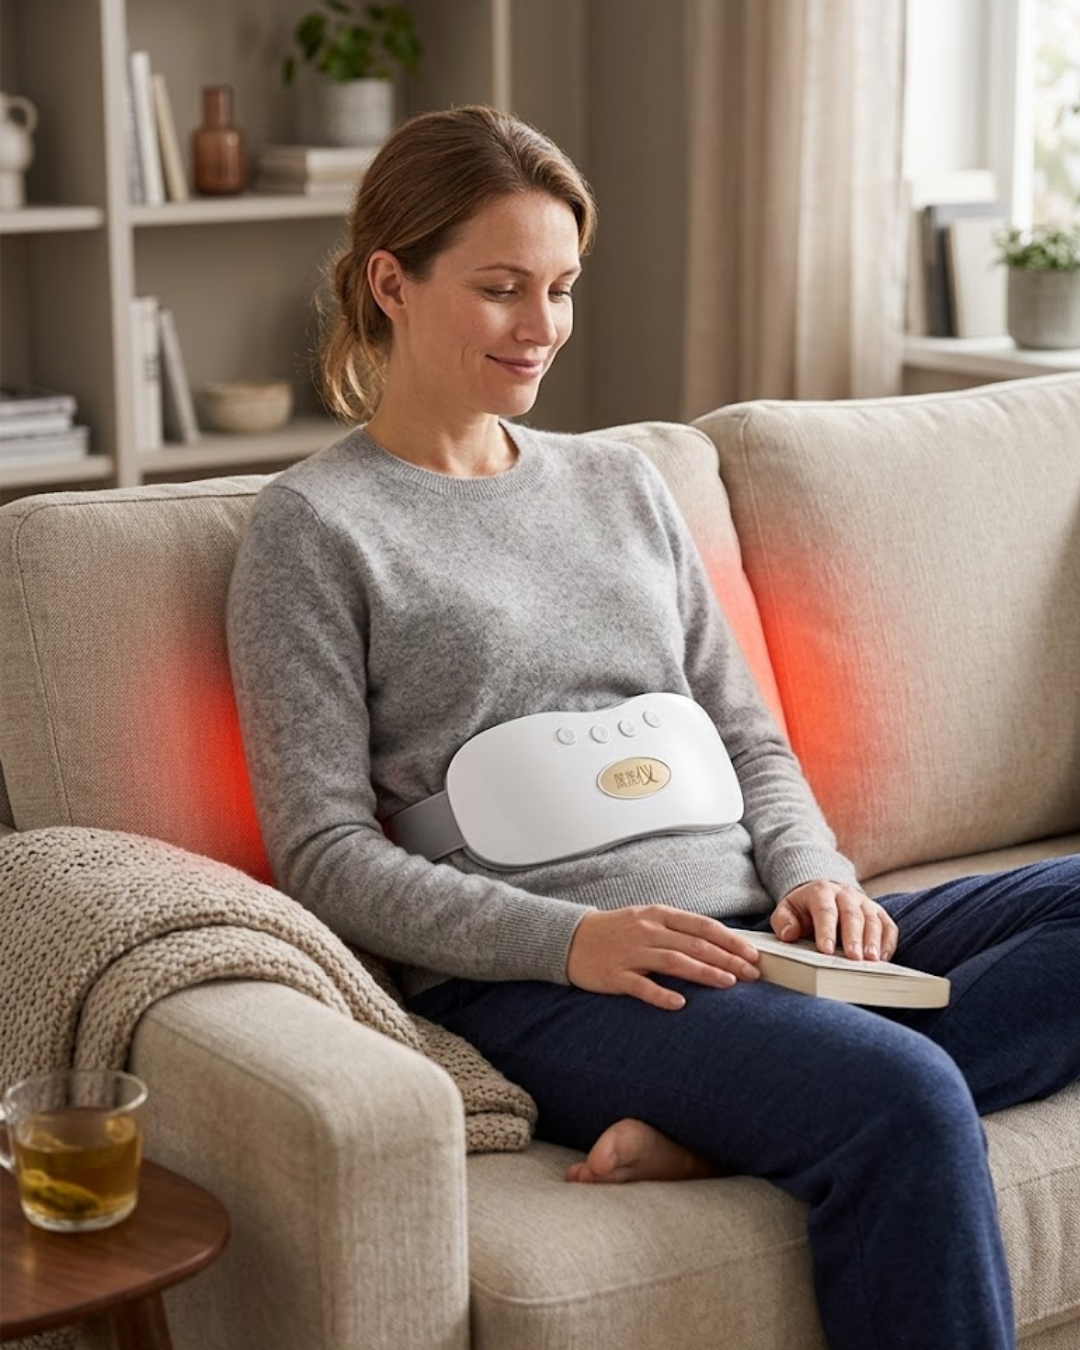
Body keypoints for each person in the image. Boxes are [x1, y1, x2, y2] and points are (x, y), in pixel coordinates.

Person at [226, 104, 1080, 1350]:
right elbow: (325, 855)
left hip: (760, 933)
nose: (542, 326)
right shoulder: (314, 531)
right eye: (502, 288)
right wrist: (574, 942)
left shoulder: (620, 483)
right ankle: (790, 1106)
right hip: (546, 979)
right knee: (900, 1097)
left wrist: (818, 874)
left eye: (562, 288)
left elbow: (749, 737)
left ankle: (727, 1129)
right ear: (391, 284)